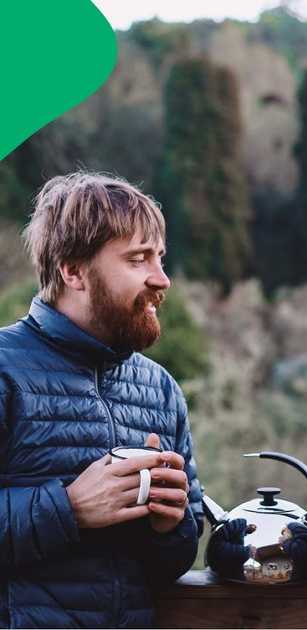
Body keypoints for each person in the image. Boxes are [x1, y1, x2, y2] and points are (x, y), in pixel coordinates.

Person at [0, 172, 202, 628]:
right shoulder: (4, 371)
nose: (162, 279)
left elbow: (174, 560)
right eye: (138, 260)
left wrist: (170, 528)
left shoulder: (160, 389)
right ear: (73, 271)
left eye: (160, 258)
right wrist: (68, 508)